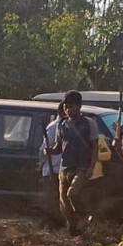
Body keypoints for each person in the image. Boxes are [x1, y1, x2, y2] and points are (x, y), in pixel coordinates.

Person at [43, 91, 97, 236]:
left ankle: (84, 215)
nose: (68, 110)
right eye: (66, 107)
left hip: (82, 167)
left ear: (79, 107)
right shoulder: (61, 124)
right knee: (64, 206)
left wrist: (91, 167)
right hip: (64, 168)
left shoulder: (89, 124)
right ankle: (73, 232)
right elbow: (58, 147)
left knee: (73, 193)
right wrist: (49, 151)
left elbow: (94, 147)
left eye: (71, 107)